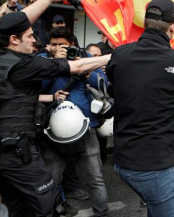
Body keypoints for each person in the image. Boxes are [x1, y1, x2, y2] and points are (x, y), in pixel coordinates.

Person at [0, 12, 110, 217]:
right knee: (46, 200)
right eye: (29, 36)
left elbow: (9, 96)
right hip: (15, 151)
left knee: (13, 203)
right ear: (13, 40)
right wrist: (117, 55)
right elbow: (76, 66)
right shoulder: (24, 63)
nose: (35, 39)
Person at [107, 0, 174, 217]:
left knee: (156, 207)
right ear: (172, 27)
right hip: (155, 167)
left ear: (145, 24)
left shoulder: (119, 54)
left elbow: (114, 89)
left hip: (123, 161)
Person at [40, 27, 109, 217]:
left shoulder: (85, 57)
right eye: (53, 44)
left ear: (71, 44)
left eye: (62, 44)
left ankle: (102, 213)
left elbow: (103, 83)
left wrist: (87, 71)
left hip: (86, 126)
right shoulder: (44, 60)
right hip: (53, 128)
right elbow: (38, 87)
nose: (57, 47)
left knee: (95, 178)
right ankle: (52, 211)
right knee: (51, 177)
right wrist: (54, 64)